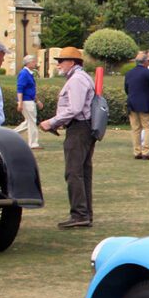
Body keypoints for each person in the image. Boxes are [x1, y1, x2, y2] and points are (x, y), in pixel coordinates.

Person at [38, 47, 96, 228]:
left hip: (79, 128)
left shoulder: (77, 79)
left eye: (61, 61)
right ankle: (84, 214)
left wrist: (52, 122)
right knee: (82, 172)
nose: (59, 64)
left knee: (73, 172)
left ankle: (79, 214)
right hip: (83, 127)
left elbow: (75, 108)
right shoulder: (81, 77)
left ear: (72, 62)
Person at [13, 53, 42, 148]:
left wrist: (37, 101)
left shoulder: (29, 74)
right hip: (26, 101)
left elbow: (32, 90)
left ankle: (11, 135)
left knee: (28, 122)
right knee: (32, 121)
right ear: (28, 63)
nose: (35, 63)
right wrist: (20, 102)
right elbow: (20, 88)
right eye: (33, 62)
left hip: (30, 100)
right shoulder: (24, 74)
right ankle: (33, 143)